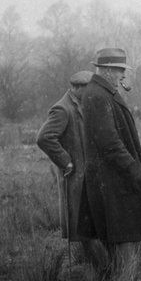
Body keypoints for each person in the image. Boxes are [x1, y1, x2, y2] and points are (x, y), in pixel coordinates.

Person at [78, 48, 141, 277]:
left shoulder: (104, 92)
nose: (122, 76)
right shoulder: (97, 95)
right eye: (119, 71)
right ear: (106, 70)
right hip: (111, 176)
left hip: (114, 174)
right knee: (122, 229)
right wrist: (132, 168)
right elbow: (108, 141)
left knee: (125, 228)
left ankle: (125, 280)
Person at [35, 70, 106, 270]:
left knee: (90, 225)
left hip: (88, 175)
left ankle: (102, 270)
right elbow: (44, 138)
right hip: (75, 177)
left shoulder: (80, 104)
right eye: (88, 89)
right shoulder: (62, 109)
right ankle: (102, 272)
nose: (92, 93)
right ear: (77, 88)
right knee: (81, 227)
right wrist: (66, 161)